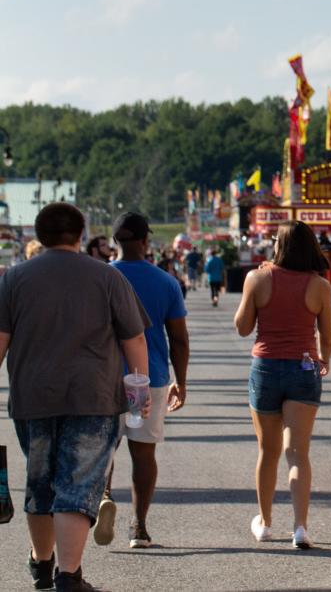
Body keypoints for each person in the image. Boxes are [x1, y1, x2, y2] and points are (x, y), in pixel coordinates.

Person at [0, 202, 150, 592]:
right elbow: (133, 338)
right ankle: (70, 574)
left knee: (41, 484)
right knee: (77, 486)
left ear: (38, 234)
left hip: (32, 398)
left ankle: (41, 563)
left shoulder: (14, 279)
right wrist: (139, 391)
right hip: (94, 397)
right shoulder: (107, 278)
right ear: (81, 234)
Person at [232, 221, 331, 550]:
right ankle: (300, 527)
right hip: (304, 367)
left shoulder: (258, 278)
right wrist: (324, 359)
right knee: (298, 453)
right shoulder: (320, 285)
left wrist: (253, 292)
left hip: (266, 367)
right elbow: (327, 336)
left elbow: (243, 328)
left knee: (268, 450)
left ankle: (265, 522)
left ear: (279, 245)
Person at [95, 213, 189, 551]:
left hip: (105, 379)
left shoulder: (102, 278)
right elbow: (178, 338)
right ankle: (139, 527)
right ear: (146, 241)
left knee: (104, 446)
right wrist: (182, 381)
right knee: (143, 452)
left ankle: (103, 496)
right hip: (149, 380)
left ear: (115, 241)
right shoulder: (165, 282)